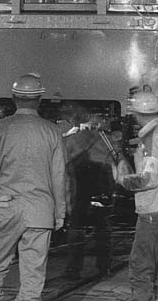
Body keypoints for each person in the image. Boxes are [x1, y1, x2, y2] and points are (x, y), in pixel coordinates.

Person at [0, 73, 66, 301]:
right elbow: (59, 176)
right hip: (40, 211)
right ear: (40, 99)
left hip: (5, 209)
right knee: (33, 275)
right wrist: (59, 212)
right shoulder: (53, 131)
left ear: (14, 98)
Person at [116, 90, 158, 301]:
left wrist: (122, 179)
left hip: (154, 212)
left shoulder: (150, 138)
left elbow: (149, 179)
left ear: (136, 113)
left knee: (141, 267)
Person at [62, 113, 117, 279]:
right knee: (102, 230)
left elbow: (63, 165)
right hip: (100, 188)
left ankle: (74, 269)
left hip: (78, 189)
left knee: (76, 228)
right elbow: (115, 162)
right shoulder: (106, 140)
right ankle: (104, 267)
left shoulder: (72, 140)